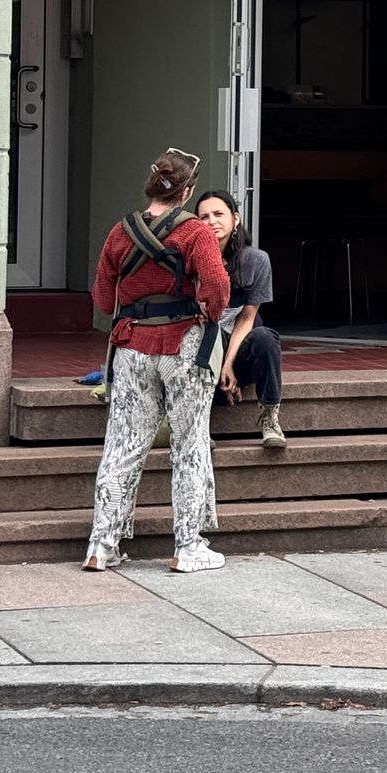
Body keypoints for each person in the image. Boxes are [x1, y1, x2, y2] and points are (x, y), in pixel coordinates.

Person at [85, 148, 230, 574]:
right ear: (186, 192)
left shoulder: (120, 232)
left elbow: (101, 296)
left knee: (122, 446)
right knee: (190, 446)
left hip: (131, 345)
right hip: (183, 344)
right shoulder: (195, 233)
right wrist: (210, 311)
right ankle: (188, 545)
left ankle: (101, 544)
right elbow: (217, 284)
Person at [194, 189, 286, 448]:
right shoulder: (190, 262)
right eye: (204, 216)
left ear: (236, 219)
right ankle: (197, 424)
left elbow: (247, 318)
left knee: (265, 337)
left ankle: (270, 417)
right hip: (202, 351)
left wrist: (228, 364)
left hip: (238, 345)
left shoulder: (255, 260)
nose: (211, 221)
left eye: (218, 214)